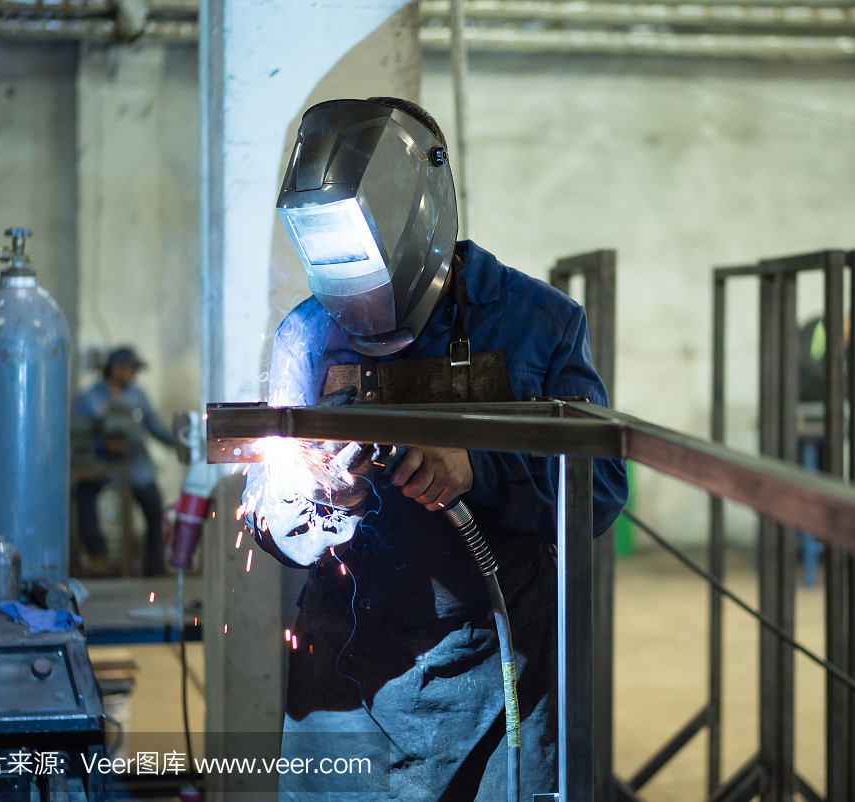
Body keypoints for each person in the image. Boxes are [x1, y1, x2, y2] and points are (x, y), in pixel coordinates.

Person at [242, 97, 628, 801]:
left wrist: (479, 466)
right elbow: (265, 513)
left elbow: (600, 491)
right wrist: (322, 498)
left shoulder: (536, 324)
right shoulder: (306, 336)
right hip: (346, 678)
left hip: (497, 671)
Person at [73, 347, 177, 576]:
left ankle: (155, 566)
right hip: (100, 467)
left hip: (136, 466)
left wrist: (179, 441)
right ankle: (97, 556)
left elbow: (155, 427)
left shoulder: (138, 396)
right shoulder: (88, 399)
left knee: (153, 502)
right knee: (84, 495)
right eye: (131, 369)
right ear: (116, 369)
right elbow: (79, 437)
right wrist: (103, 445)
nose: (134, 375)